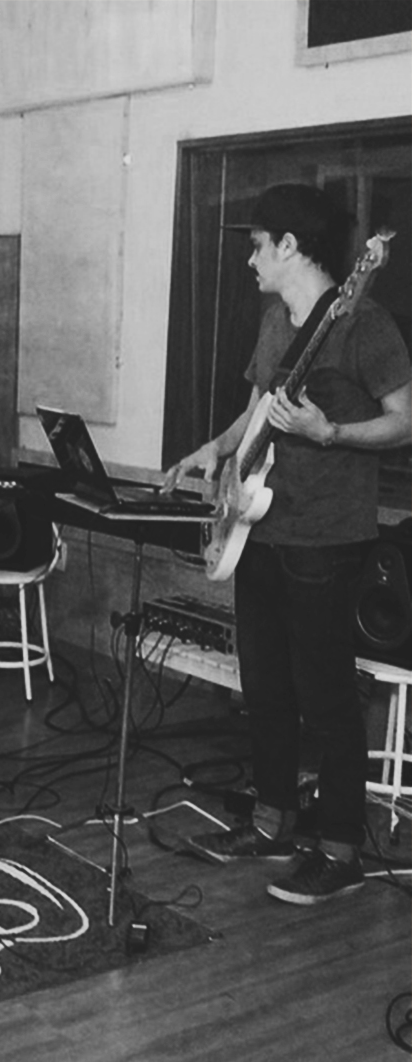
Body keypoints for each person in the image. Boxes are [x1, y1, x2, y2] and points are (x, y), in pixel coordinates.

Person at [163, 184, 412, 904]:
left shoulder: (363, 324)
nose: (250, 260)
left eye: (256, 245)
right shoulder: (276, 319)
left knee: (326, 696)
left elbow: (405, 419)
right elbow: (256, 410)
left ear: (290, 246)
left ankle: (339, 849)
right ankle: (270, 821)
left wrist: (329, 433)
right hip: (260, 528)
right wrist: (214, 450)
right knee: (265, 686)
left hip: (326, 537)